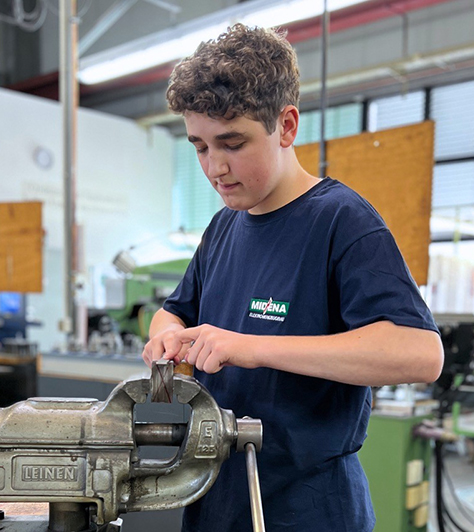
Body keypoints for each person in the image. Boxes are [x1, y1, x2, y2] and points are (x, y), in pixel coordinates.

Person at [142, 24, 443, 532]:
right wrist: (165, 337)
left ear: (285, 126)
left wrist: (253, 347)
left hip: (307, 506)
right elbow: (175, 310)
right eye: (199, 147)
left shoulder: (342, 221)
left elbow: (419, 352)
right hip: (217, 495)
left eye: (232, 143)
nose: (214, 167)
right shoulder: (224, 226)